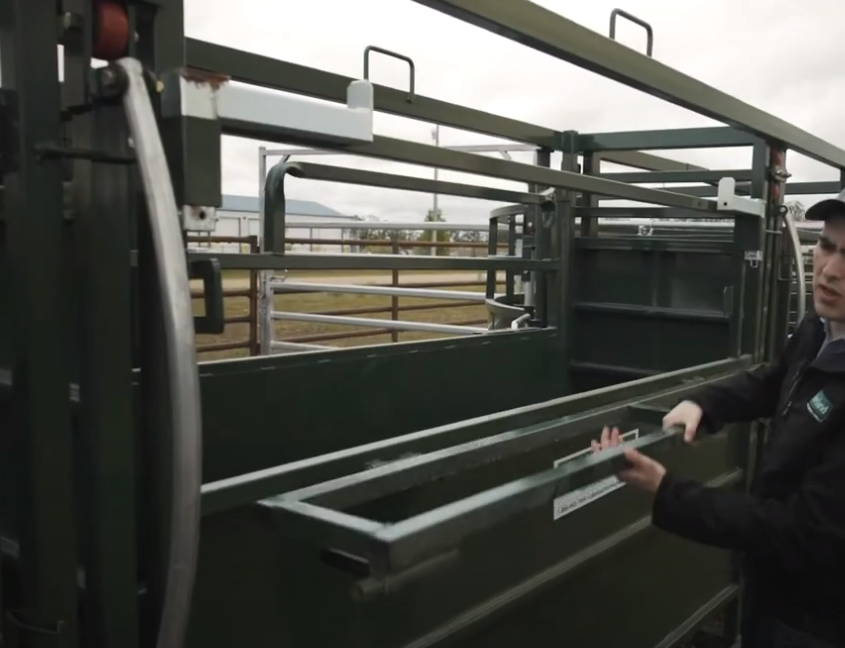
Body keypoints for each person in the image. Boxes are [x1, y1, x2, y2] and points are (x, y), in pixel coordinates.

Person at [593, 191, 845, 648]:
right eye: (827, 246)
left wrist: (667, 491)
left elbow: (803, 531)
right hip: (775, 591)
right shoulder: (821, 328)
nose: (829, 271)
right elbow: (776, 380)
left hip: (818, 619)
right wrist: (706, 404)